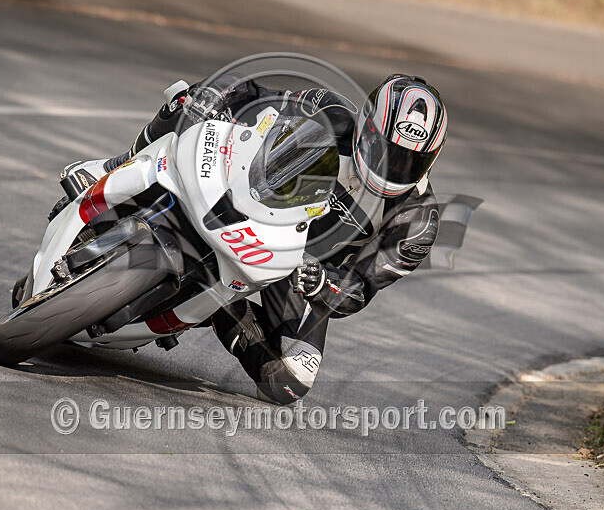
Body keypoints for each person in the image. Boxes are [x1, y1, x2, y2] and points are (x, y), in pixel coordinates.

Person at [54, 73, 447, 404]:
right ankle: (110, 169)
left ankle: (214, 303)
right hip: (254, 190)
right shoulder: (329, 110)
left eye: (407, 162)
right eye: (383, 150)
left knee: (290, 381)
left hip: (301, 266)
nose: (390, 168)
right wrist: (214, 99)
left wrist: (323, 283)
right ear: (366, 125)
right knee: (188, 102)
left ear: (431, 159)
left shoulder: (417, 223)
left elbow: (360, 288)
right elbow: (250, 93)